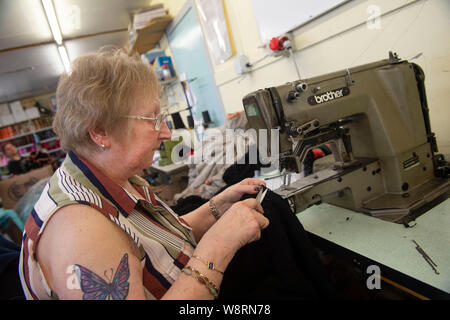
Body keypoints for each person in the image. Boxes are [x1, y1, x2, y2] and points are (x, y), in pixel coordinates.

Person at [19, 48, 269, 300]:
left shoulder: (115, 177)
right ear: (100, 132)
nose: (167, 133)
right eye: (152, 118)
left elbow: (162, 244)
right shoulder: (79, 230)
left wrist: (216, 207)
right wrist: (219, 246)